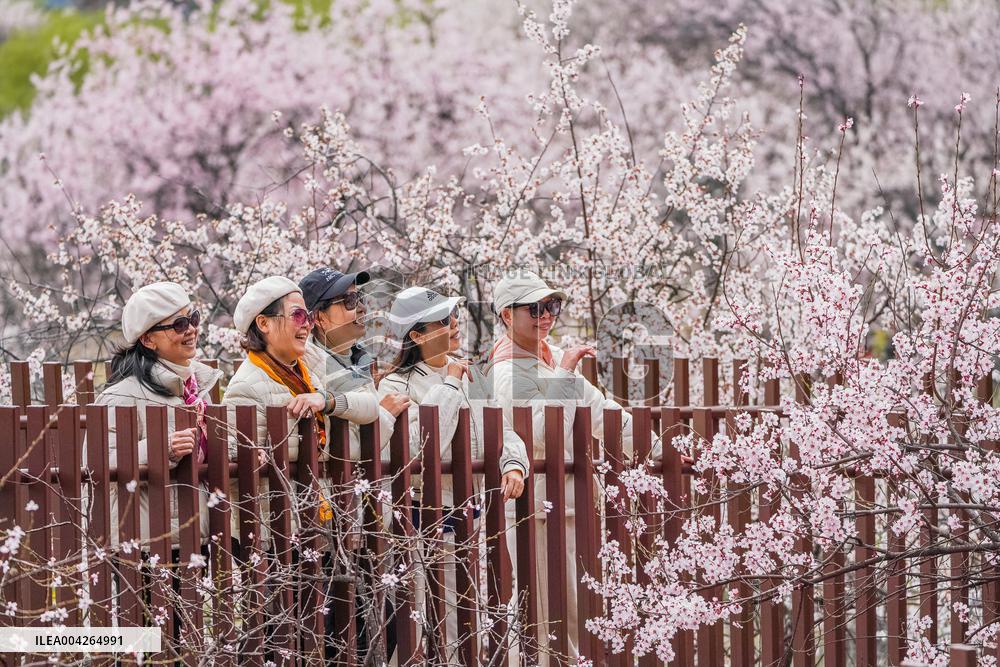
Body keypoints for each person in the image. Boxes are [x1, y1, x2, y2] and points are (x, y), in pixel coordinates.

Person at [485, 269, 661, 659]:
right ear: (507, 316)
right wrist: (564, 375)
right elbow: (538, 434)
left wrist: (661, 449)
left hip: (570, 508)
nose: (546, 315)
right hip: (537, 512)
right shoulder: (505, 372)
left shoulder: (547, 363)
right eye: (534, 308)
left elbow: (606, 415)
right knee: (542, 615)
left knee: (577, 616)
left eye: (551, 305)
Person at [379, 286, 529, 652]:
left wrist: (514, 464)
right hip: (420, 520)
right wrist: (449, 383)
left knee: (467, 620)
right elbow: (423, 445)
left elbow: (501, 427)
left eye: (453, 316)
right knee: (422, 623)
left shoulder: (473, 375)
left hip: (471, 518)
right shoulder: (397, 383)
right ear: (416, 334)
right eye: (443, 321)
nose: (455, 324)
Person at [96, 281, 220, 549]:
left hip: (196, 537)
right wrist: (163, 449)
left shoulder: (197, 388)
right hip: (145, 545)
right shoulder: (121, 395)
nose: (192, 329)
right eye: (179, 325)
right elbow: (100, 464)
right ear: (148, 339)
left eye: (193, 318)